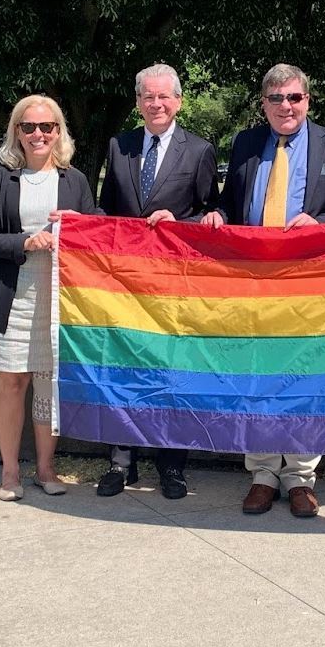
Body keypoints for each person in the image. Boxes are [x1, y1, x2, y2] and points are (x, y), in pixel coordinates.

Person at [202, 63, 325, 518]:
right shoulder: (246, 144)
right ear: (264, 104)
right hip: (253, 281)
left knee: (303, 374)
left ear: (307, 100)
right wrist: (216, 215)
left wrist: (320, 222)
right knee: (258, 375)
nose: (285, 107)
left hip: (310, 282)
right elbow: (229, 205)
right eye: (276, 99)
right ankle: (263, 474)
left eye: (294, 98)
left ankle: (301, 477)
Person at [95, 63, 219, 499]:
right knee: (123, 370)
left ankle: (171, 466)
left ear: (179, 101)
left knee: (172, 373)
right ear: (138, 102)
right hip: (124, 283)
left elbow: (211, 213)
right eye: (149, 97)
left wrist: (179, 221)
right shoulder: (120, 146)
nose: (157, 104)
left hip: (173, 285)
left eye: (165, 96)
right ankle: (121, 461)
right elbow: (106, 211)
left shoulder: (200, 150)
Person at [0, 95, 98, 502]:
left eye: (47, 127)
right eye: (29, 127)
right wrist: (26, 241)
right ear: (17, 132)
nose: (38, 134)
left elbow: (94, 231)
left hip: (58, 297)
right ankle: (10, 472)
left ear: (58, 132)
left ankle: (45, 468)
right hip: (11, 295)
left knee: (47, 384)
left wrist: (76, 226)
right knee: (11, 382)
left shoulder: (75, 181)